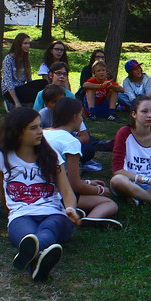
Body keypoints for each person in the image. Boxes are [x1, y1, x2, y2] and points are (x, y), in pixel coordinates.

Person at [0, 107, 83, 280]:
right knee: (28, 237)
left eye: (40, 126)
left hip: (54, 214)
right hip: (21, 215)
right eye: (33, 128)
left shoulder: (51, 155)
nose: (40, 131)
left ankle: (32, 255)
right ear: (17, 132)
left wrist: (70, 208)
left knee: (48, 229)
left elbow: (67, 191)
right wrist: (10, 213)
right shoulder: (0, 156)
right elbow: (2, 189)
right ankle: (37, 264)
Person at [43, 98, 121, 230]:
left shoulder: (42, 133)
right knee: (109, 204)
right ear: (74, 117)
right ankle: (89, 220)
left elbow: (64, 175)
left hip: (36, 191)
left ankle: (77, 211)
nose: (81, 119)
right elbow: (74, 184)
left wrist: (88, 182)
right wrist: (100, 191)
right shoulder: (71, 141)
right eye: (80, 115)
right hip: (57, 195)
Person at [1, 33, 47, 110]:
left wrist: (32, 86)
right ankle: (35, 111)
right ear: (18, 44)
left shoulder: (25, 58)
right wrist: (17, 102)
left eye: (29, 43)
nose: (28, 46)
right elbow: (8, 82)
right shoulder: (8, 59)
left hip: (21, 86)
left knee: (44, 83)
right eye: (25, 43)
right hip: (10, 91)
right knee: (35, 93)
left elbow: (29, 79)